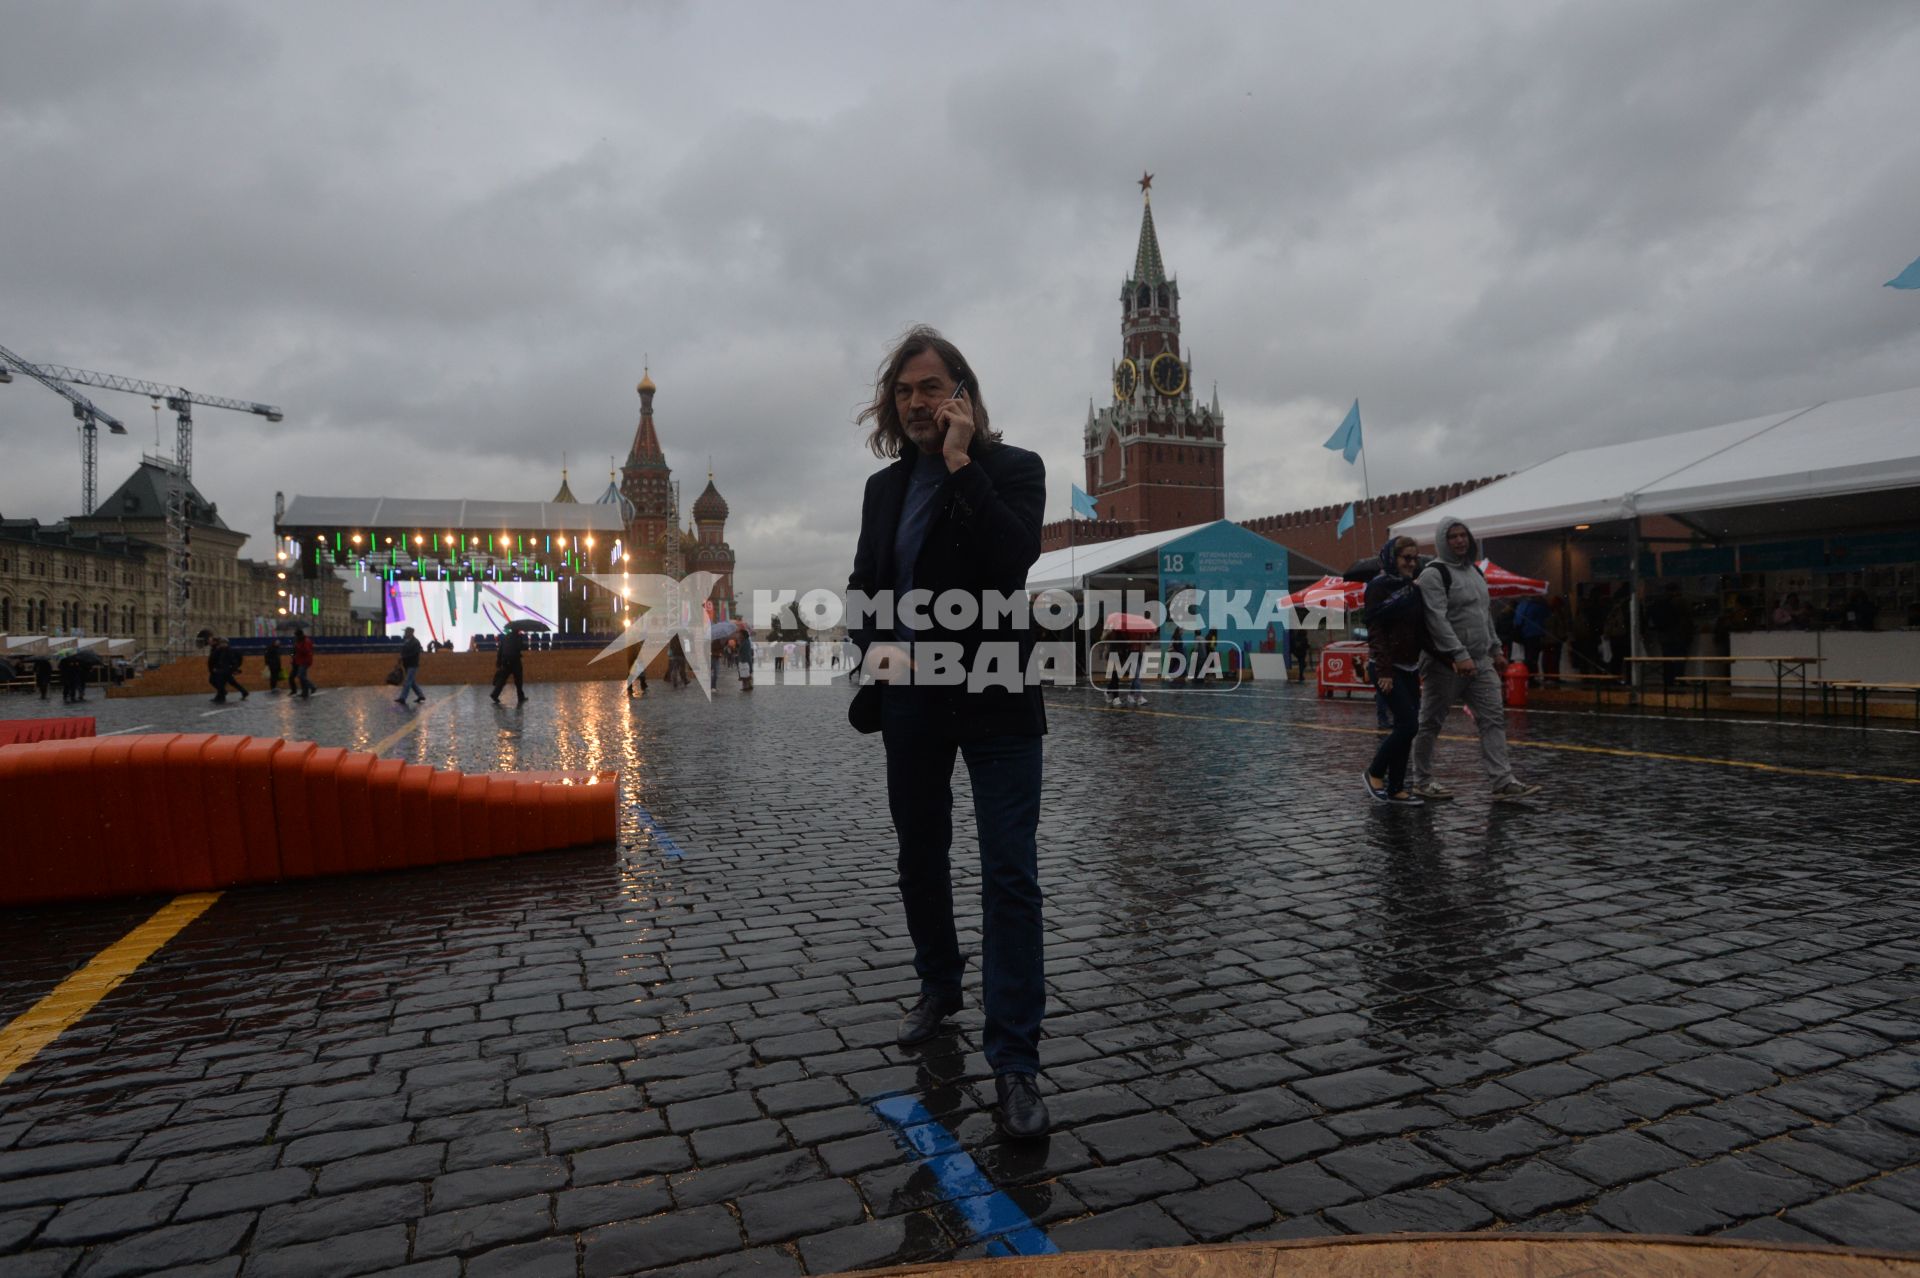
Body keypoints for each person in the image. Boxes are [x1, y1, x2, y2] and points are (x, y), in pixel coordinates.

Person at [846, 325, 1050, 1138]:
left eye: (932, 388)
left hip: (999, 698)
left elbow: (1010, 560)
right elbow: (866, 583)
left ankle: (1016, 1062)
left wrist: (964, 464)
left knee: (1009, 875)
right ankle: (939, 982)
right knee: (920, 855)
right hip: (915, 702)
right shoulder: (883, 490)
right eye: (905, 391)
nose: (917, 403)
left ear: (962, 394)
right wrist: (877, 653)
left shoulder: (1014, 470)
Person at [1407, 517, 1542, 803]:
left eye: (1463, 535)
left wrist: (1496, 651)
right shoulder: (1434, 574)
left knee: (1493, 719)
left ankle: (1502, 781)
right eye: (1453, 536)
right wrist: (1459, 654)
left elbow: (1484, 616)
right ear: (1443, 540)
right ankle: (1422, 779)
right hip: (1447, 664)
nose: (1459, 540)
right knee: (1431, 721)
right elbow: (1436, 619)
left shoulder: (1476, 573)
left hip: (1481, 662)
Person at [1363, 537, 1427, 804]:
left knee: (1408, 727)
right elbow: (1375, 630)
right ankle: (1375, 772)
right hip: (1386, 667)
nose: (1412, 563)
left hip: (1411, 665)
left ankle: (1396, 788)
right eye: (1406, 558)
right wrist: (1385, 670)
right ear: (1393, 558)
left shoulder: (1413, 589)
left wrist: (1451, 658)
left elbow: (1421, 630)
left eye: (1415, 558)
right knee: (1408, 724)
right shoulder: (1378, 588)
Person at [1512, 594, 1548, 684]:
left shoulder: (1521, 605)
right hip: (1535, 634)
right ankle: (1532, 677)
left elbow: (1517, 621)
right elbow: (1546, 615)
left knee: (1529, 655)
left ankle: (1528, 675)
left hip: (1525, 634)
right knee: (1533, 656)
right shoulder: (1538, 606)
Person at [208, 636, 248, 703]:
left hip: (226, 671)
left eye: (224, 643)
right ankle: (243, 692)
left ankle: (221, 697)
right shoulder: (218, 651)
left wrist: (233, 669)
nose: (223, 644)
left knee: (222, 683)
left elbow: (235, 661)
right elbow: (212, 660)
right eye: (221, 643)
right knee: (229, 683)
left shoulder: (229, 651)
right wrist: (213, 669)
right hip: (221, 671)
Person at [491, 626, 526, 703]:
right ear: (517, 630)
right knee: (518, 679)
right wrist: (523, 642)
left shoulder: (505, 637)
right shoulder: (518, 637)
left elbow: (500, 649)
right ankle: (521, 697)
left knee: (502, 679)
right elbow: (520, 647)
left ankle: (494, 694)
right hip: (515, 660)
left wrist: (499, 662)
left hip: (505, 660)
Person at [1543, 596, 1570, 686]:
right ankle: (1552, 677)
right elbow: (1557, 628)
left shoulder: (1548, 612)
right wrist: (1562, 636)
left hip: (1550, 640)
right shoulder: (1555, 613)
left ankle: (1550, 677)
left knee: (1550, 659)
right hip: (1554, 640)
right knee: (1553, 659)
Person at [395, 626, 426, 704]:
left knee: (408, 681)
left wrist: (403, 657)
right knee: (412, 682)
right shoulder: (406, 641)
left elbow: (414, 654)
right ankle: (421, 695)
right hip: (407, 664)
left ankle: (402, 698)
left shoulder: (415, 642)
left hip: (413, 664)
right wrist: (401, 659)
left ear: (411, 633)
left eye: (406, 632)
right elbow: (404, 652)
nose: (405, 633)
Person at [290, 628, 316, 699]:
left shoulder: (305, 641)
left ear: (299, 635)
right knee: (302, 676)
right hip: (300, 661)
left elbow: (306, 651)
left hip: (305, 661)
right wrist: (293, 656)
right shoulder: (299, 641)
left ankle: (312, 686)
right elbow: (294, 652)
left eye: (296, 635)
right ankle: (305, 692)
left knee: (301, 676)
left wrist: (298, 647)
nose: (295, 637)